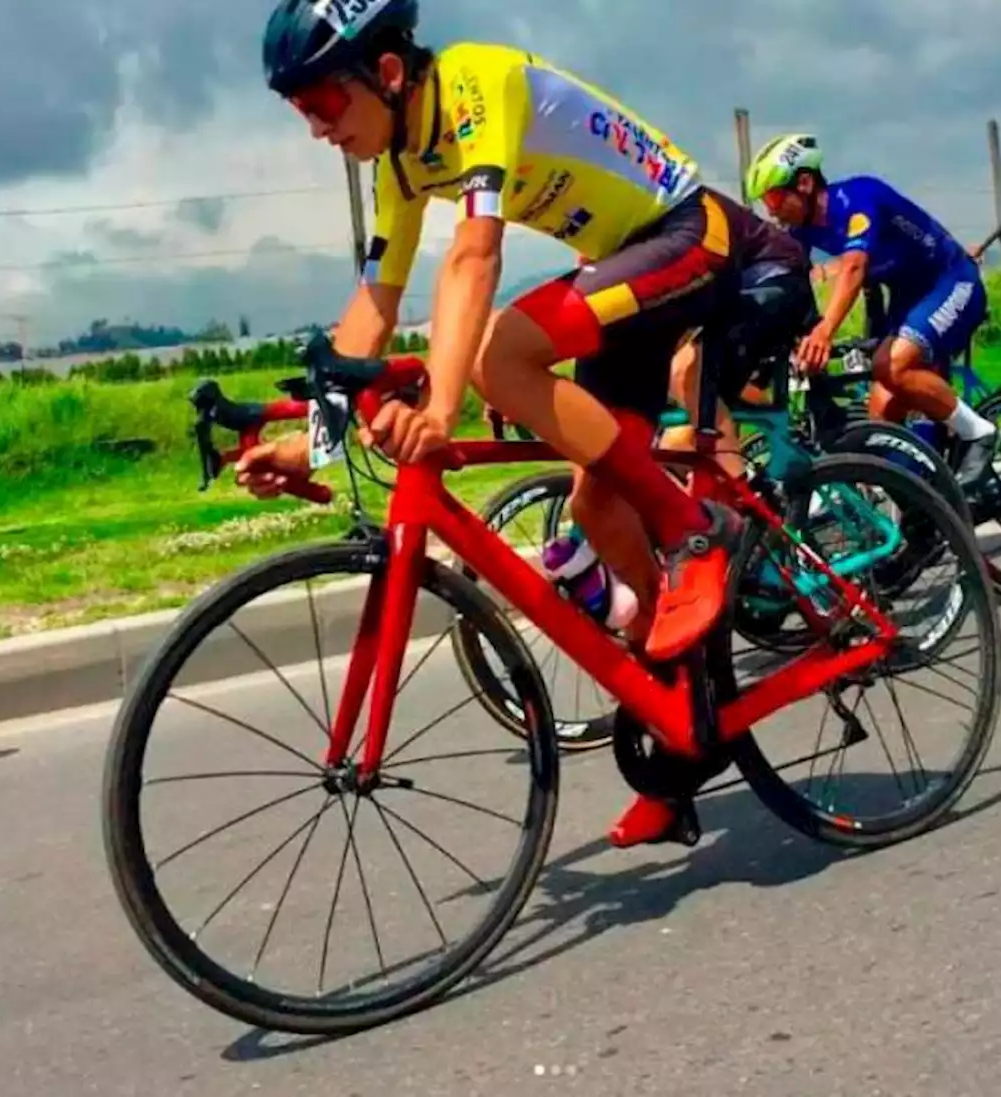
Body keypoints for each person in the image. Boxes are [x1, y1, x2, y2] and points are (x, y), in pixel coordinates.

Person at [237, 0, 810, 846]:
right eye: (299, 112)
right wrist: (308, 442)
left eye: (321, 103)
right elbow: (376, 307)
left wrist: (439, 409)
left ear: (387, 73)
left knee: (499, 357)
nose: (316, 129)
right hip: (624, 267)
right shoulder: (400, 167)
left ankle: (696, 532)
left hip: (690, 231)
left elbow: (476, 255)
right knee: (596, 507)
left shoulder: (476, 85)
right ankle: (680, 727)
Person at [744, 134, 1000, 488]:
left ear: (803, 183)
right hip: (906, 297)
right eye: (764, 202)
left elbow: (852, 269)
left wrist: (825, 332)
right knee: (881, 413)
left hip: (951, 280)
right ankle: (924, 506)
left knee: (890, 365)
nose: (770, 209)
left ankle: (980, 433)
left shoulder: (858, 198)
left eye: (773, 197)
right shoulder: (801, 232)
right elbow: (792, 284)